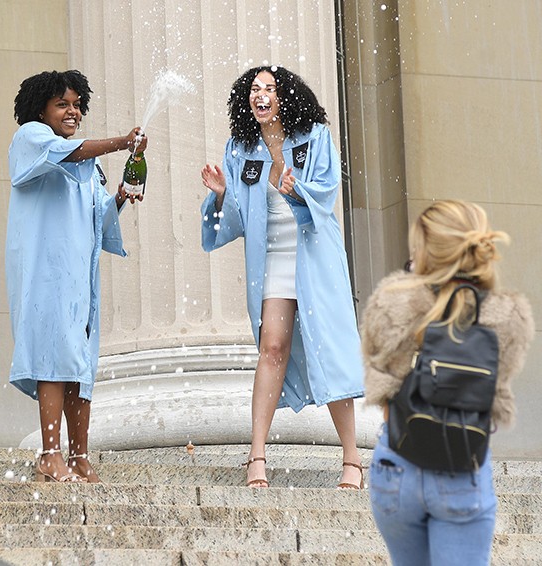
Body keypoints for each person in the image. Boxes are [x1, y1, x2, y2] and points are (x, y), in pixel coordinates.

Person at [199, 65, 364, 489]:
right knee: (272, 346)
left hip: (313, 254)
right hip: (272, 257)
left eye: (269, 89)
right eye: (254, 89)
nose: (261, 95)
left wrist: (297, 191)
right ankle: (257, 457)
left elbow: (326, 192)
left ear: (285, 96)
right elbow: (236, 215)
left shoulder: (314, 137)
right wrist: (220, 193)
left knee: (325, 347)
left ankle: (352, 460)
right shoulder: (241, 148)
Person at [361, 200, 533, 565]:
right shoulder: (506, 315)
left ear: (424, 250)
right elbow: (496, 386)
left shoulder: (391, 301)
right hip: (462, 463)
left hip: (398, 464)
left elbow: (379, 385)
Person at [7, 70, 147, 483]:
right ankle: (50, 455)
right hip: (45, 272)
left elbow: (98, 219)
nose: (73, 111)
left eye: (76, 103)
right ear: (40, 109)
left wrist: (119, 195)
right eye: (62, 104)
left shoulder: (85, 158)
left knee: (78, 362)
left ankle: (79, 457)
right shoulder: (30, 139)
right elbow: (66, 156)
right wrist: (123, 142)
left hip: (78, 278)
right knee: (52, 355)